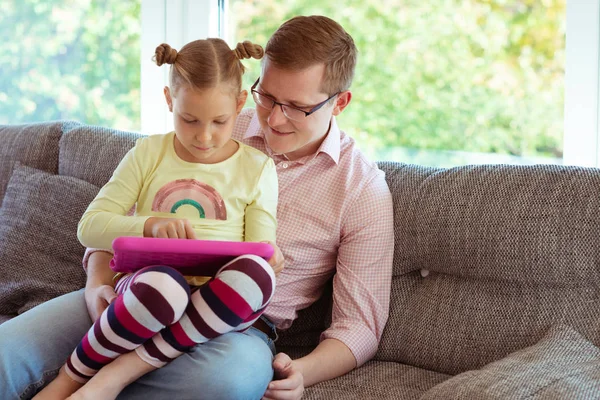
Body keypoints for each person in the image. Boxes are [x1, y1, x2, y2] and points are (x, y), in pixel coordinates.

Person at [0, 15, 394, 400]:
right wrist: (97, 284)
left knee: (230, 382)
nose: (274, 119)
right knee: (7, 354)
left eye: (296, 106)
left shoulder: (362, 190)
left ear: (339, 102)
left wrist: (300, 373)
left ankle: (102, 377)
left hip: (236, 328)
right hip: (139, 292)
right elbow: (118, 222)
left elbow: (358, 328)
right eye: (267, 96)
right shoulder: (211, 121)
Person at [32, 37, 280, 400]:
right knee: (165, 288)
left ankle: (115, 373)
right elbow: (90, 227)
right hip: (149, 291)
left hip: (216, 306)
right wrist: (148, 226)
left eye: (220, 121)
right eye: (189, 119)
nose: (204, 136)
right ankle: (70, 379)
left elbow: (260, 247)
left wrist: (272, 254)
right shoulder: (148, 153)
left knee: (258, 275)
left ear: (241, 103)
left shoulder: (257, 168)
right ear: (168, 100)